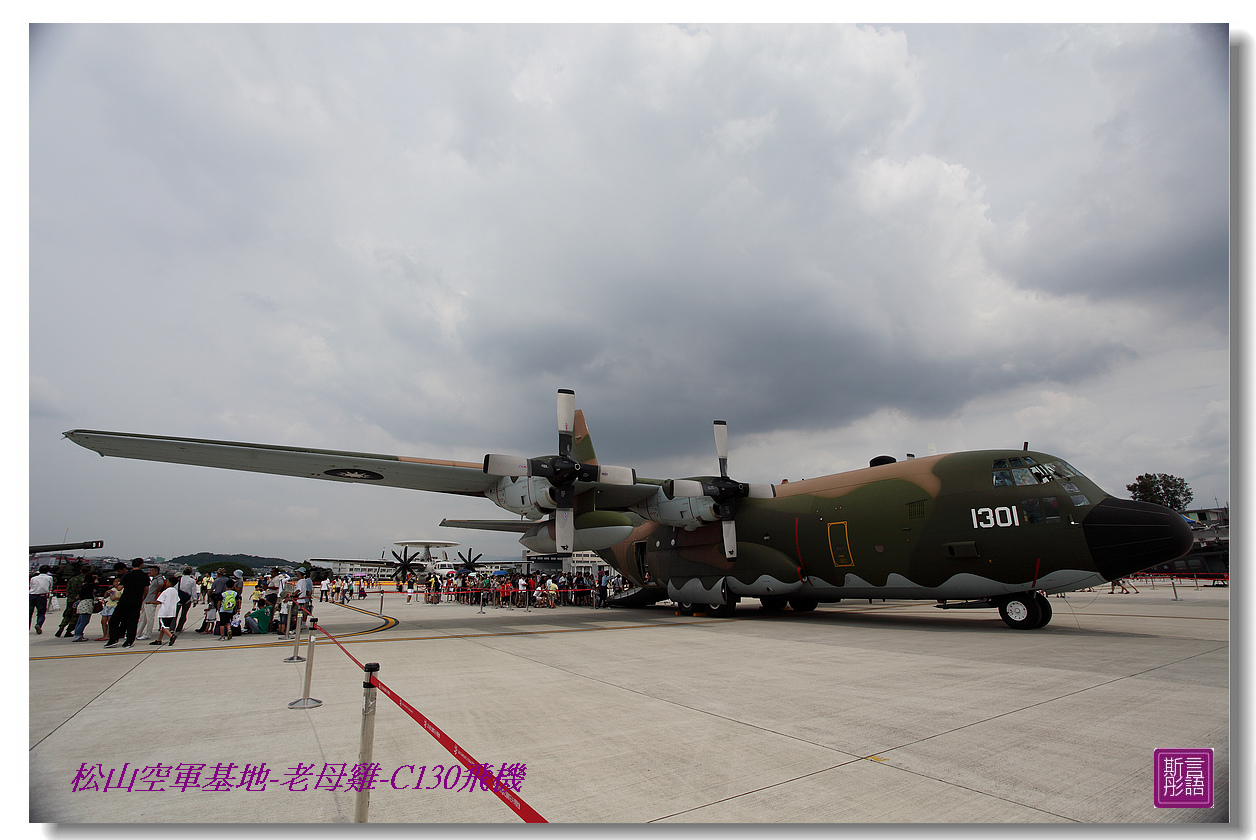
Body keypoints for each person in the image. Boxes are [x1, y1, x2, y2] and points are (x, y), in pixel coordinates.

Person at [106, 559, 149, 648]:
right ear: (141, 565)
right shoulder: (144, 576)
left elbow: (119, 588)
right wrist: (141, 599)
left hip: (125, 600)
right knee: (132, 622)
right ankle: (129, 641)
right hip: (136, 601)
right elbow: (146, 590)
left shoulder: (127, 575)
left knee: (114, 620)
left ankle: (113, 640)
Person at [135, 566, 163, 641]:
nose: (150, 572)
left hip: (151, 601)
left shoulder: (158, 578)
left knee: (149, 618)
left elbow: (161, 584)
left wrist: (157, 591)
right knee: (143, 618)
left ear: (156, 572)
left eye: (151, 570)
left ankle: (148, 633)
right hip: (146, 600)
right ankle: (138, 632)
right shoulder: (152, 579)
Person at [70, 572, 99, 642]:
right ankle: (78, 635)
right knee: (84, 621)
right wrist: (96, 579)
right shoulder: (88, 586)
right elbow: (96, 586)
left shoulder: (84, 586)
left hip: (82, 604)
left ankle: (77, 634)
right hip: (86, 605)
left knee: (80, 621)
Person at [153, 574, 180, 646]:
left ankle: (171, 636)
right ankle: (159, 640)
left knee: (164, 627)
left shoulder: (166, 591)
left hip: (164, 612)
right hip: (172, 612)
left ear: (169, 583)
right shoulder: (175, 591)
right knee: (165, 626)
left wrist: (149, 602)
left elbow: (159, 601)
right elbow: (177, 600)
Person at [29, 564, 54, 634]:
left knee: (29, 613)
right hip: (41, 596)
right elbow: (50, 587)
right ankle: (38, 624)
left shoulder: (33, 578)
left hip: (31, 596)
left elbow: (31, 587)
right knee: (41, 613)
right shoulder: (49, 578)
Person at [175, 568, 198, 632]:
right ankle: (179, 627)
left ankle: (172, 627)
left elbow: (176, 588)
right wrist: (195, 600)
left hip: (178, 598)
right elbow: (193, 591)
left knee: (175, 614)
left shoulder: (180, 579)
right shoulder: (192, 580)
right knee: (183, 614)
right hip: (187, 599)